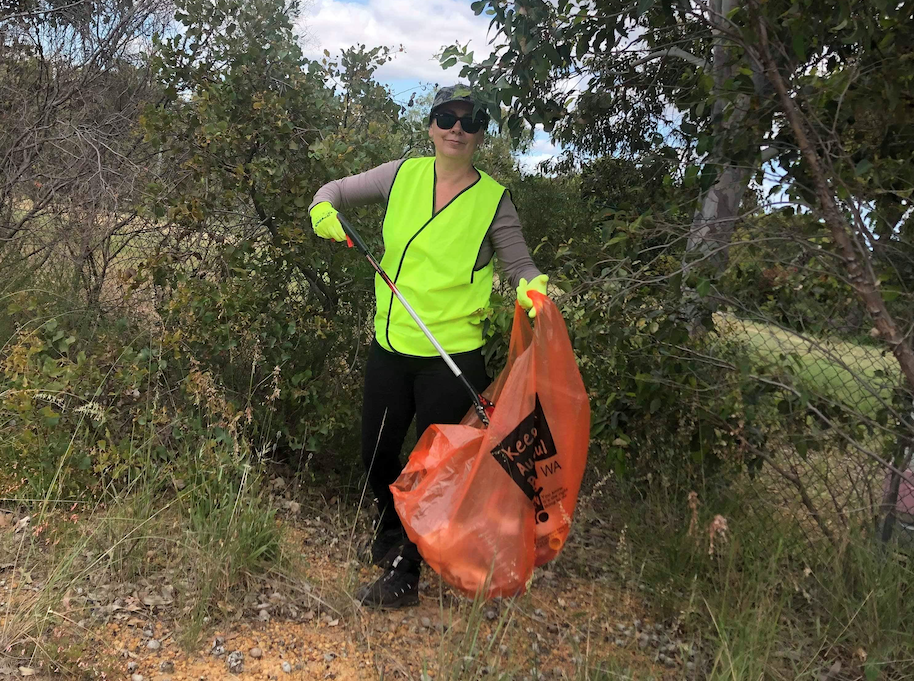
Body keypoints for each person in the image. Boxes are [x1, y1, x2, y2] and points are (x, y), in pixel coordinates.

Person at [308, 85, 549, 608]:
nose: (456, 128)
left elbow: (519, 265)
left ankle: (406, 572)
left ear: (481, 133)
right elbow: (333, 190)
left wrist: (533, 289)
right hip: (391, 346)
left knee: (435, 473)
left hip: (451, 358)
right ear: (431, 124)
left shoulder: (494, 200)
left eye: (470, 120)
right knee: (376, 455)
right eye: (446, 117)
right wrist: (322, 209)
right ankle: (394, 530)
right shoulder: (400, 175)